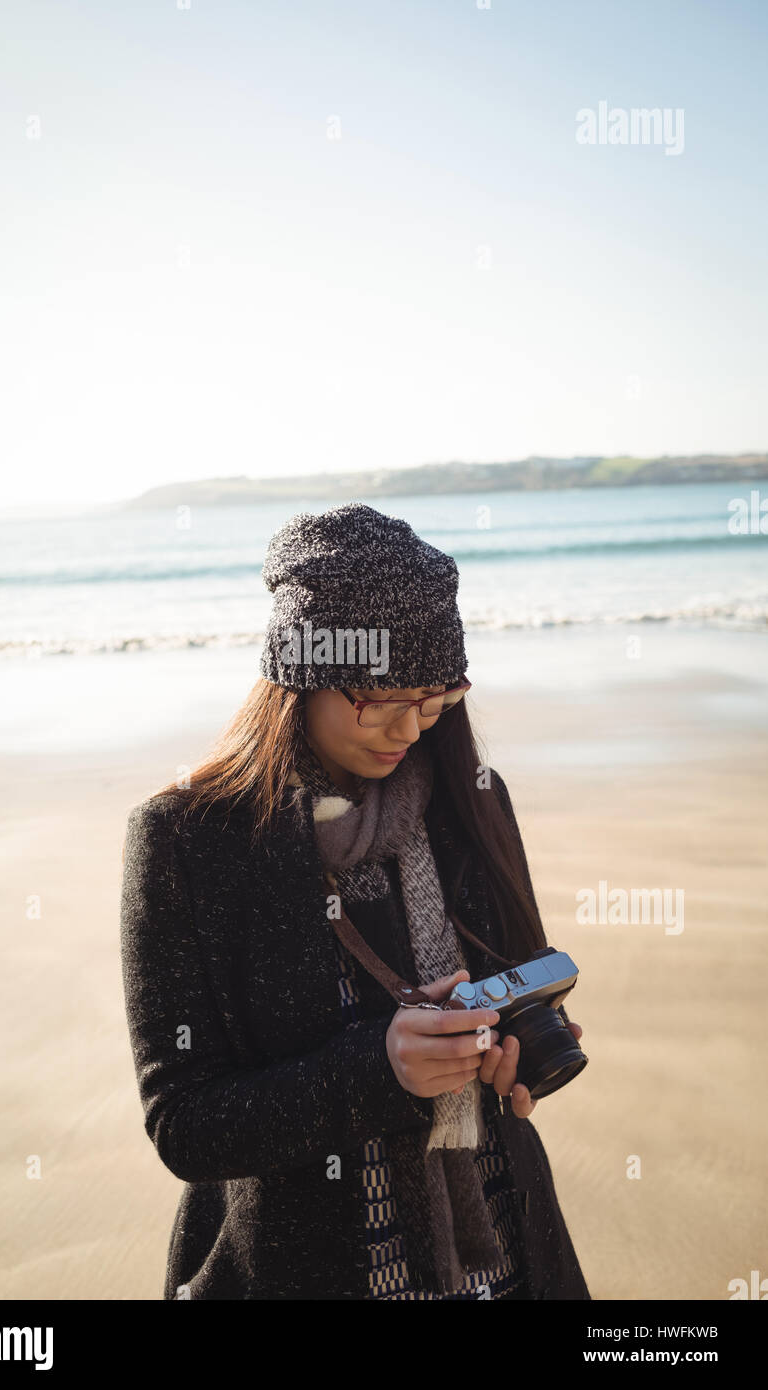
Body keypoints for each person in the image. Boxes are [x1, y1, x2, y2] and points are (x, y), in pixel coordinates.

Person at [119, 502, 590, 1300]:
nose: (409, 727)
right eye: (380, 698)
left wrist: (513, 1056)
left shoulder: (471, 800)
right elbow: (185, 1125)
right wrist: (380, 1070)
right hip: (303, 1268)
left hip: (507, 1248)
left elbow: (516, 983)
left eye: (435, 699)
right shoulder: (187, 839)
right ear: (301, 671)